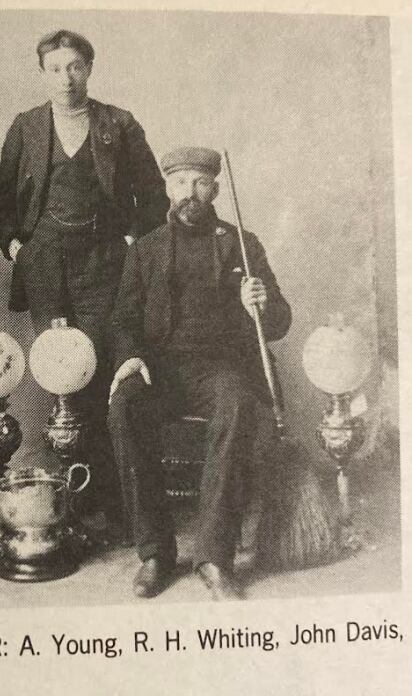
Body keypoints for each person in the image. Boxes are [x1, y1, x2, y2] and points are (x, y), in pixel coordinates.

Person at [0, 29, 169, 535]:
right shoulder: (26, 127)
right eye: (55, 68)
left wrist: (132, 243)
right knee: (62, 374)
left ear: (88, 69)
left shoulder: (119, 124)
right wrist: (18, 248)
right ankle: (74, 497)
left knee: (104, 371)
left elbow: (154, 198)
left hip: (105, 264)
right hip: (46, 265)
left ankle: (116, 503)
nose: (66, 78)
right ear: (42, 73)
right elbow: (1, 202)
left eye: (75, 67)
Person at [107, 147, 292, 600]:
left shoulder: (242, 245)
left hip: (221, 367)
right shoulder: (146, 248)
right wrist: (131, 357)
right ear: (167, 187)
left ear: (215, 188)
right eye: (180, 182)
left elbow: (281, 322)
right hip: (161, 368)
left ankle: (213, 556)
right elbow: (123, 319)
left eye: (200, 183)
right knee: (124, 406)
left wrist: (261, 306)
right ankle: (155, 553)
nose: (190, 193)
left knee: (237, 404)